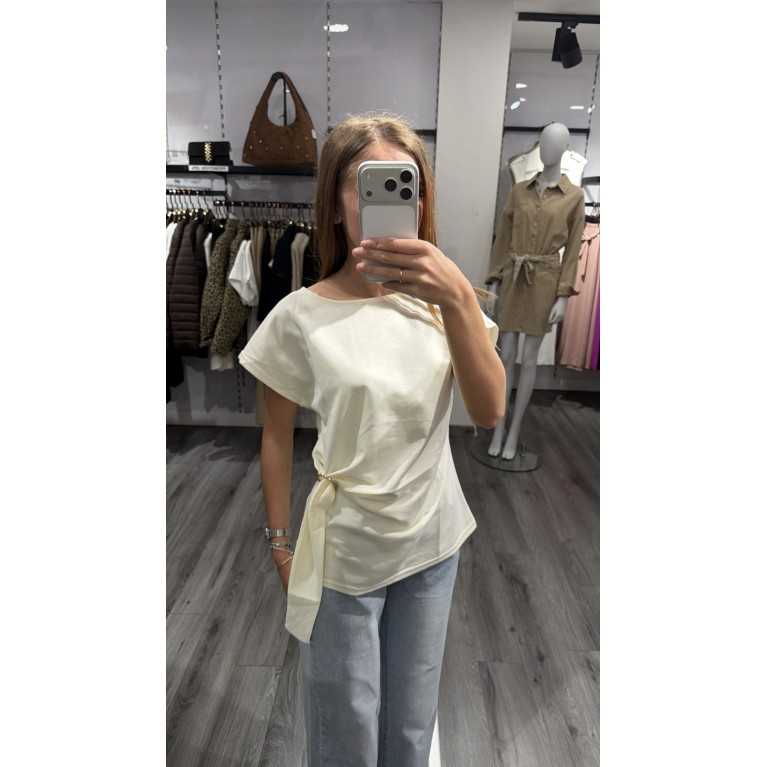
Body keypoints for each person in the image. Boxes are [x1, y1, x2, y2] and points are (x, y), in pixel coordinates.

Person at [238, 112, 506, 767]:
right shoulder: (299, 316)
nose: (387, 199)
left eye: (402, 183)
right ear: (335, 201)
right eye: (366, 183)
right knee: (346, 728)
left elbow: (488, 411)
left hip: (432, 540)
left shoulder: (445, 304)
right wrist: (280, 543)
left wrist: (456, 299)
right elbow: (276, 436)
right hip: (345, 548)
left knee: (411, 725)